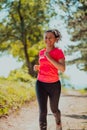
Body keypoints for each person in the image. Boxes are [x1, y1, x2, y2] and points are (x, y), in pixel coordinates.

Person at [34, 29, 65, 130]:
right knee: (42, 111)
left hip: (54, 85)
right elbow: (45, 66)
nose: (47, 39)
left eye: (50, 37)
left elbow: (62, 68)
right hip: (41, 84)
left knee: (54, 109)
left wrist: (49, 58)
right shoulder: (41, 52)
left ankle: (58, 122)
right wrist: (38, 67)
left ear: (56, 39)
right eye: (46, 37)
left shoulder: (58, 52)